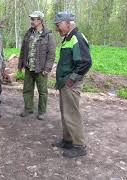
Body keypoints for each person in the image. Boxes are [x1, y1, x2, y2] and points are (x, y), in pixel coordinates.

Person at [52, 11, 92, 158]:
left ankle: (79, 146)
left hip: (71, 84)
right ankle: (68, 140)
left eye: (58, 25)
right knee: (66, 113)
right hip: (65, 83)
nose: (57, 29)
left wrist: (71, 79)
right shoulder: (68, 38)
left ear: (68, 23)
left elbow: (86, 62)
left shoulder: (77, 38)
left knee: (72, 114)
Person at [18, 11, 56, 120]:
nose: (31, 21)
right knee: (27, 89)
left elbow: (51, 54)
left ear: (40, 20)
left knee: (43, 92)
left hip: (41, 69)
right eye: (31, 19)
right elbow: (23, 50)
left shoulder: (48, 35)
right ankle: (28, 108)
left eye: (33, 19)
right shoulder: (28, 33)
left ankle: (42, 112)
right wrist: (20, 64)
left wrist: (47, 68)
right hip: (29, 67)